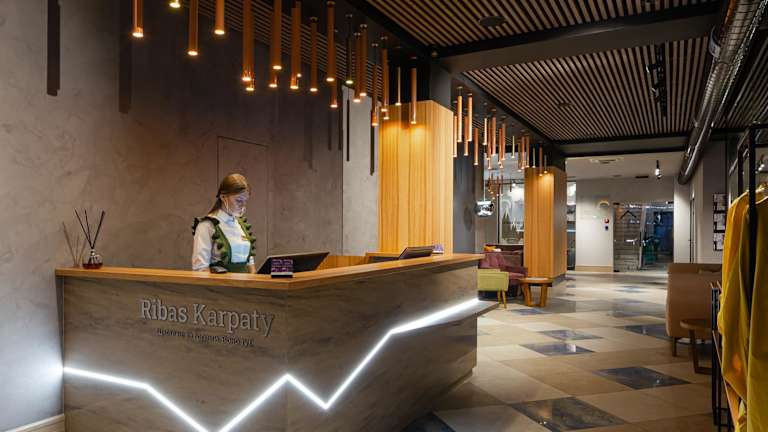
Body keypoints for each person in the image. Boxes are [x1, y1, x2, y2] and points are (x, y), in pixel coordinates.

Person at [191, 173, 256, 273]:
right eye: (239, 200)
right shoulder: (207, 225)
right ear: (223, 197)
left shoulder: (241, 224)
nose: (243, 205)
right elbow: (200, 268)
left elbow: (250, 262)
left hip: (246, 282)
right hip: (221, 282)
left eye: (245, 201)